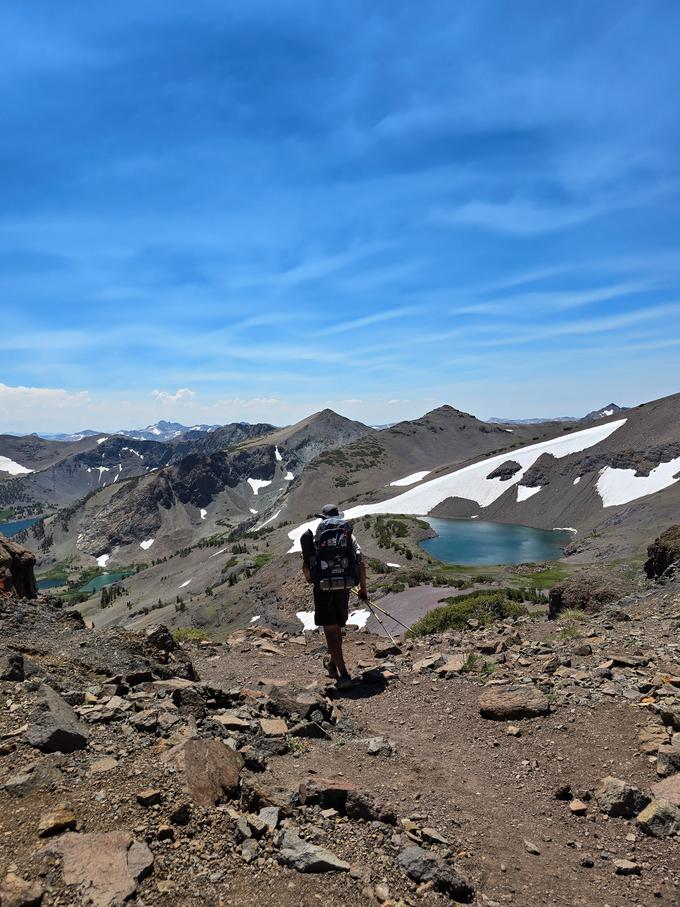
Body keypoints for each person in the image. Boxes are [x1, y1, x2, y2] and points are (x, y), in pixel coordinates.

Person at [302, 504, 367, 690]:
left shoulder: (318, 535)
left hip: (324, 587)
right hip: (345, 585)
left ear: (323, 518)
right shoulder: (348, 536)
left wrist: (311, 577)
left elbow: (307, 566)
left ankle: (344, 674)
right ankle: (332, 664)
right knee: (338, 626)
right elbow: (361, 563)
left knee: (330, 630)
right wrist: (363, 588)